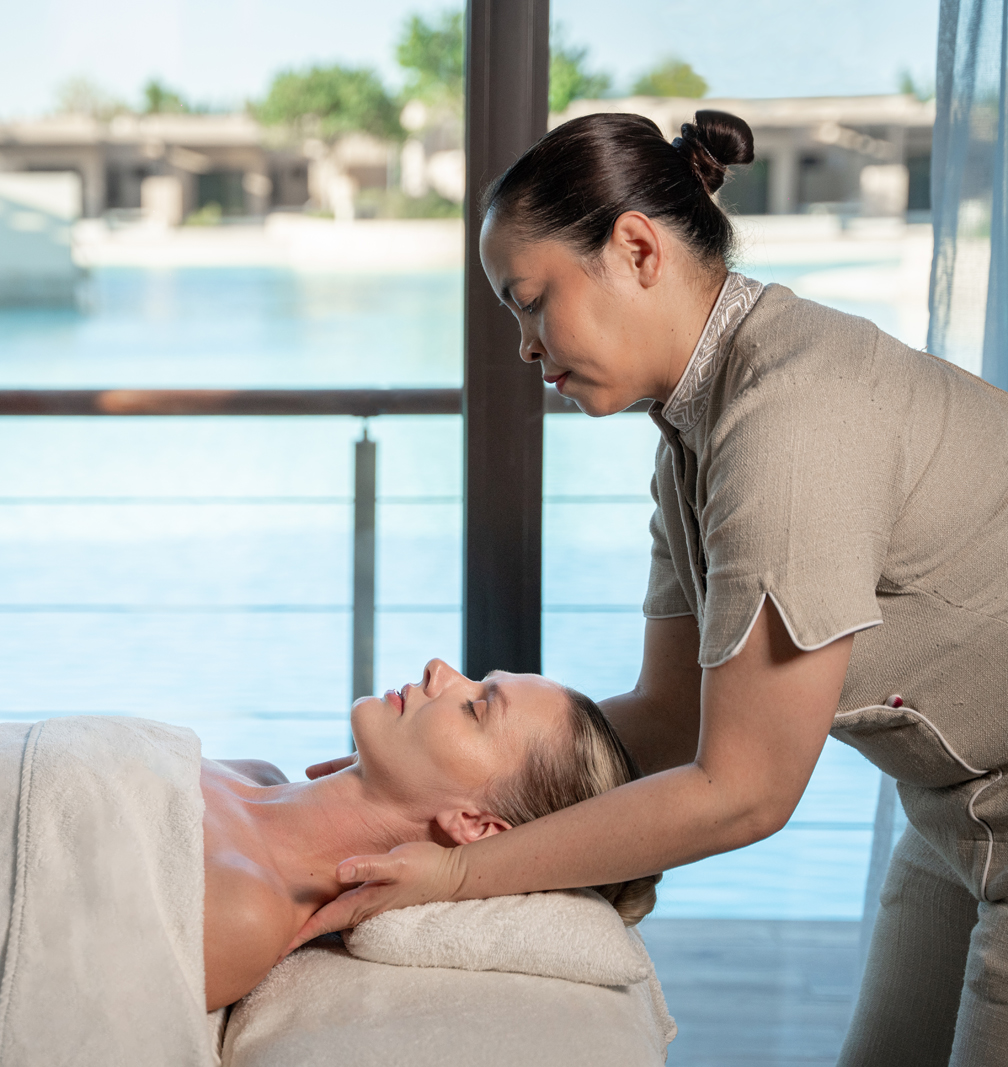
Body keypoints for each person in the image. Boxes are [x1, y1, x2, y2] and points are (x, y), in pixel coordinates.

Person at [291, 109, 1008, 1066]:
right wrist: (410, 785)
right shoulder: (692, 432)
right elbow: (672, 717)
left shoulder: (788, 423)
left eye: (533, 299)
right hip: (952, 803)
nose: (524, 346)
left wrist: (461, 871)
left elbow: (744, 792)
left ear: (635, 249)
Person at [200, 658, 653, 1010]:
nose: (438, 669)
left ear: (476, 825)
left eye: (476, 709)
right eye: (477, 679)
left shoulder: (246, 911)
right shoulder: (256, 774)